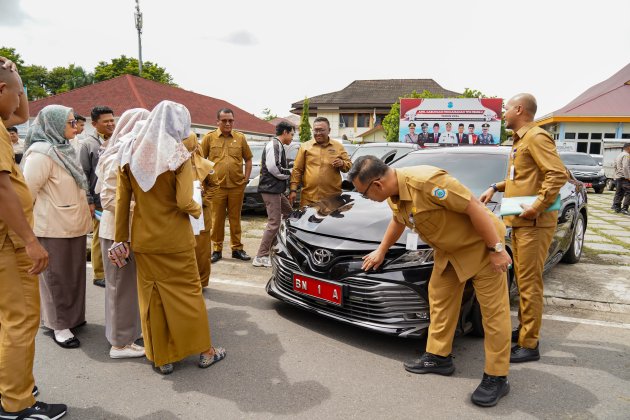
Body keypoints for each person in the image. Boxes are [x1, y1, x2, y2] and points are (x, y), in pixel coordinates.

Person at [350, 155, 512, 407]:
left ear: (377, 185)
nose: (366, 198)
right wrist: (381, 250)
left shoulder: (426, 182)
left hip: (481, 248)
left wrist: (497, 249)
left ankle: (497, 377)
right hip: (449, 251)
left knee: (494, 315)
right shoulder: (395, 194)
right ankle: (439, 357)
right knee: (440, 300)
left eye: (364, 193)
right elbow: (398, 220)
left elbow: (474, 207)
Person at [115, 100, 226, 375]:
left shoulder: (130, 151)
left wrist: (121, 239)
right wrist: (198, 208)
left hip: (143, 239)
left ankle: (162, 358)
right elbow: (183, 200)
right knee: (189, 296)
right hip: (175, 240)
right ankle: (205, 351)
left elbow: (122, 201)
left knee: (153, 299)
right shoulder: (177, 153)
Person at [0, 57, 68, 420]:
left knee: (7, 320)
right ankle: (17, 403)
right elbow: (2, 187)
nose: (19, 101)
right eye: (16, 93)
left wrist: (17, 79)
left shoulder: (2, 121)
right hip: (10, 243)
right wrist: (29, 240)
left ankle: (10, 384)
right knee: (21, 321)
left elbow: (21, 117)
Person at [480, 93, 568, 363]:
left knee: (530, 285)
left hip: (534, 223)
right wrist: (496, 186)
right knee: (523, 281)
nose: (503, 113)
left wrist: (538, 206)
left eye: (506, 108)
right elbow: (520, 178)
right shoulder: (521, 140)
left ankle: (530, 344)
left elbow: (557, 174)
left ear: (519, 109)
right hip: (520, 222)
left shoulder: (537, 137)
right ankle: (525, 330)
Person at [22, 105, 92, 349]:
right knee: (56, 278)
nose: (75, 127)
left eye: (75, 122)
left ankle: (71, 317)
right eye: (70, 122)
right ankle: (58, 325)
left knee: (73, 275)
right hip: (52, 226)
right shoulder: (40, 154)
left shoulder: (65, 148)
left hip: (73, 223)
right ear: (53, 124)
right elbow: (26, 193)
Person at [95, 108, 149, 359]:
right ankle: (120, 343)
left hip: (128, 230)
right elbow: (108, 199)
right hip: (116, 232)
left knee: (128, 286)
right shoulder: (116, 155)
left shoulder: (127, 152)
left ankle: (128, 332)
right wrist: (143, 207)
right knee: (120, 286)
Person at [200, 108, 253, 263]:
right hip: (216, 188)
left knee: (235, 219)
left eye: (230, 120)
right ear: (218, 121)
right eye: (224, 120)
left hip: (237, 186)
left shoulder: (240, 138)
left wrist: (246, 179)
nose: (228, 123)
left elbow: (248, 159)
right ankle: (217, 249)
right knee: (217, 219)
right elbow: (200, 161)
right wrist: (203, 183)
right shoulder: (209, 138)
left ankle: (237, 248)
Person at [79, 106, 115, 288]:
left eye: (112, 120)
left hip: (114, 199)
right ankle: (99, 273)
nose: (111, 124)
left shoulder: (117, 141)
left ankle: (111, 271)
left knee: (112, 237)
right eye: (106, 121)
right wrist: (89, 200)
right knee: (99, 237)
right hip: (98, 199)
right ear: (94, 124)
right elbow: (83, 174)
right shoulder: (88, 144)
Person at [253, 121, 294, 267]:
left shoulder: (278, 145)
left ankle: (278, 247)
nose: (292, 138)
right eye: (292, 134)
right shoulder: (274, 145)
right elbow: (273, 168)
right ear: (285, 132)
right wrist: (289, 173)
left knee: (290, 214)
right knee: (274, 222)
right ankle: (261, 256)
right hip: (270, 189)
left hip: (276, 189)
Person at [289, 117, 352, 207]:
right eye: (315, 130)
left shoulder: (338, 147)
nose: (318, 133)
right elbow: (297, 170)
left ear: (329, 130)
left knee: (330, 221)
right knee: (308, 221)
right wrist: (293, 190)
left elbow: (349, 165)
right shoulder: (305, 147)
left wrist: (342, 163)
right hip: (309, 198)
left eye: (321, 130)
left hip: (332, 198)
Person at [183, 132, 219, 287]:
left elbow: (214, 185)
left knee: (202, 252)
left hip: (201, 215)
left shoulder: (205, 164)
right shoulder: (173, 164)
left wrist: (203, 200)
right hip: (181, 215)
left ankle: (202, 282)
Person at [611, 143, 630, 215]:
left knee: (619, 192)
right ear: (628, 148)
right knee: (629, 192)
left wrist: (616, 174)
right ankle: (625, 208)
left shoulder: (620, 154)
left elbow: (615, 165)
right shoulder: (626, 155)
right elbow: (626, 167)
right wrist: (628, 177)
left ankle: (616, 206)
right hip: (624, 177)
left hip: (618, 177)